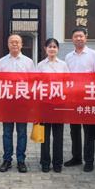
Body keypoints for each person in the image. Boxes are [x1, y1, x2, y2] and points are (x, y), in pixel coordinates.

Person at [0, 34, 35, 173]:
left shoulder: (28, 62)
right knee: (7, 132)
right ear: (8, 44)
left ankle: (21, 160)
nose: (15, 44)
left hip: (22, 103)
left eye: (17, 42)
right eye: (12, 42)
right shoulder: (2, 62)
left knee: (22, 133)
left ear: (21, 45)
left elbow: (32, 83)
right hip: (7, 103)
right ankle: (7, 159)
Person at [64, 27, 95, 168]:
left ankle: (89, 160)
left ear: (86, 37)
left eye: (81, 36)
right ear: (72, 39)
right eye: (76, 36)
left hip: (88, 98)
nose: (78, 38)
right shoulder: (68, 56)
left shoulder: (93, 54)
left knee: (88, 130)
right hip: (73, 98)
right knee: (74, 130)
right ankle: (76, 157)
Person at [36, 38, 69, 173]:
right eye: (49, 47)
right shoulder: (40, 65)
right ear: (45, 49)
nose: (52, 49)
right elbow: (36, 84)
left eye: (54, 47)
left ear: (58, 49)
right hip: (45, 104)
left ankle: (57, 163)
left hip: (59, 104)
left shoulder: (63, 65)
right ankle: (45, 162)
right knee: (45, 135)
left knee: (58, 135)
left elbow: (67, 83)